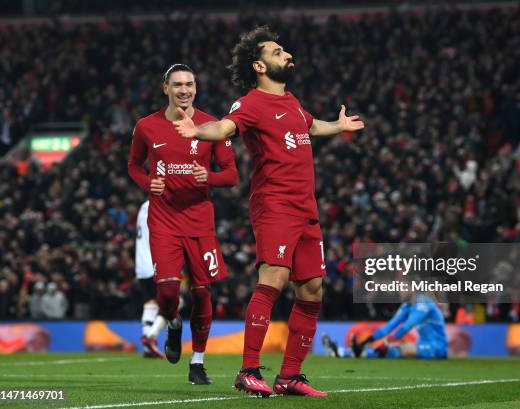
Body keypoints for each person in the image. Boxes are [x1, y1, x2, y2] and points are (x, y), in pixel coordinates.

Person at [173, 26, 364, 397]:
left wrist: (338, 126)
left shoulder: (292, 101)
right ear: (260, 66)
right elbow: (223, 127)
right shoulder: (250, 103)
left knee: (312, 290)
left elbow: (310, 125)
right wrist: (196, 132)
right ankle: (247, 369)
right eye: (279, 52)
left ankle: (290, 376)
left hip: (307, 209)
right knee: (273, 279)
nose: (287, 55)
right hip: (274, 205)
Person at [128, 63, 238, 385]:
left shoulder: (213, 126)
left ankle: (198, 362)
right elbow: (133, 165)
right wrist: (148, 183)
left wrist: (211, 177)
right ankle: (173, 323)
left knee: (203, 293)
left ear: (196, 88)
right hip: (163, 219)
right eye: (177, 85)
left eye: (189, 84)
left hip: (200, 220)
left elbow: (231, 174)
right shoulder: (146, 126)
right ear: (166, 88)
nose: (184, 90)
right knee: (166, 292)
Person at [322, 293, 448, 360]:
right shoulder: (407, 305)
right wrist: (366, 341)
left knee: (398, 349)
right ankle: (346, 352)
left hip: (437, 347)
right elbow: (390, 326)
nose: (400, 291)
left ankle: (346, 353)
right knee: (393, 349)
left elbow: (407, 326)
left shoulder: (423, 303)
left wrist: (387, 342)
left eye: (403, 287)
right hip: (422, 343)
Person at [135, 200, 167, 359]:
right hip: (154, 263)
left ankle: (148, 348)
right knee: (175, 301)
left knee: (150, 303)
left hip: (140, 264)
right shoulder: (159, 205)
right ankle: (151, 336)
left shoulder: (143, 206)